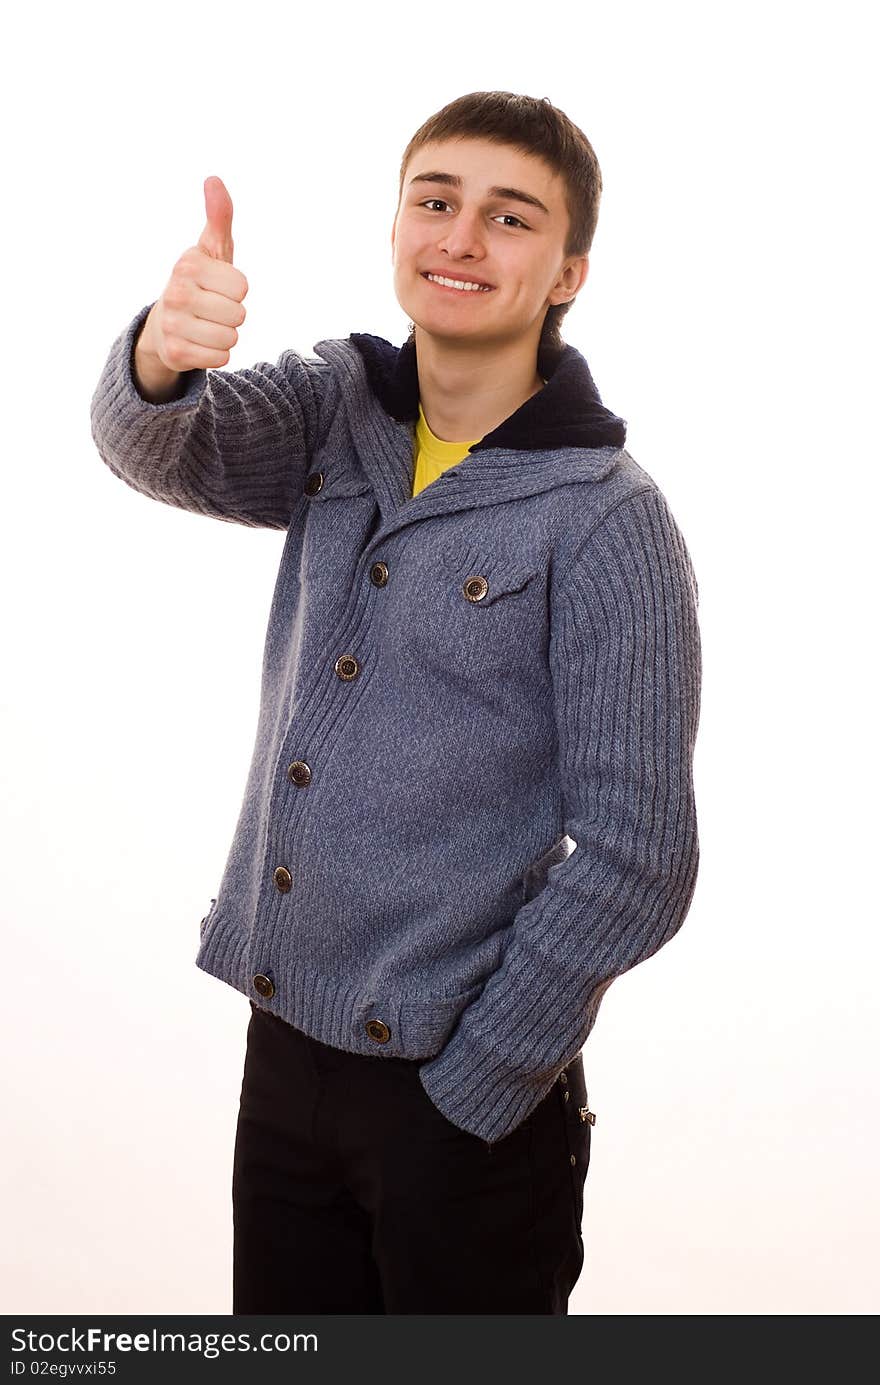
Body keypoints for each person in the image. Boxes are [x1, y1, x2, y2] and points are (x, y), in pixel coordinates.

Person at [89, 90, 702, 1315]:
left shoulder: (606, 519)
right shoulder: (334, 407)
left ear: (568, 269)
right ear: (397, 229)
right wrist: (163, 353)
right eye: (436, 201)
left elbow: (641, 856)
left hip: (462, 1103)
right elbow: (161, 448)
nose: (461, 237)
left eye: (508, 216)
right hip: (284, 1063)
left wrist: (481, 1076)